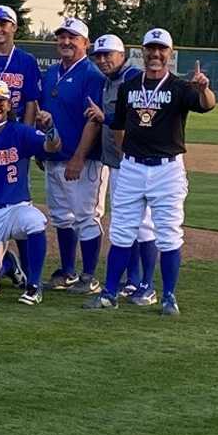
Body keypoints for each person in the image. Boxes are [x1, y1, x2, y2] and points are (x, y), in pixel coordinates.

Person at [85, 29, 215, 316]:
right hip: (132, 165)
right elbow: (119, 124)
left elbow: (207, 106)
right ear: (141, 52)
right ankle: (109, 293)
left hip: (167, 169)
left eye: (161, 50)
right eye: (150, 50)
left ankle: (169, 295)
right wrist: (123, 154)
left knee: (168, 234)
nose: (155, 55)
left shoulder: (181, 87)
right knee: (121, 232)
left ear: (170, 53)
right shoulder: (129, 86)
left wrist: (203, 88)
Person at [0, 80, 61, 305]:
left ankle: (34, 285)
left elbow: (52, 146)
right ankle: (8, 264)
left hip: (16, 207)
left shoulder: (21, 132)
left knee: (35, 221)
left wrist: (51, 127)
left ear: (8, 105)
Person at [39, 16, 108, 294]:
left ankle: (89, 275)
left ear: (85, 43)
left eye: (73, 37)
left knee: (86, 215)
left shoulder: (92, 74)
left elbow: (93, 119)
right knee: (60, 216)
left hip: (84, 161)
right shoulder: (53, 71)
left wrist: (79, 156)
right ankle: (67, 270)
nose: (66, 42)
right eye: (62, 36)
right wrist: (41, 147)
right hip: (55, 155)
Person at [89, 34, 158, 305]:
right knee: (125, 224)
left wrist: (104, 117)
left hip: (136, 165)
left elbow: (141, 120)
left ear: (123, 54)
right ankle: (133, 281)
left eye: (109, 55)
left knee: (142, 225)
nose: (103, 60)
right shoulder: (111, 81)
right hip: (118, 164)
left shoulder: (134, 79)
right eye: (99, 55)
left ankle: (146, 284)